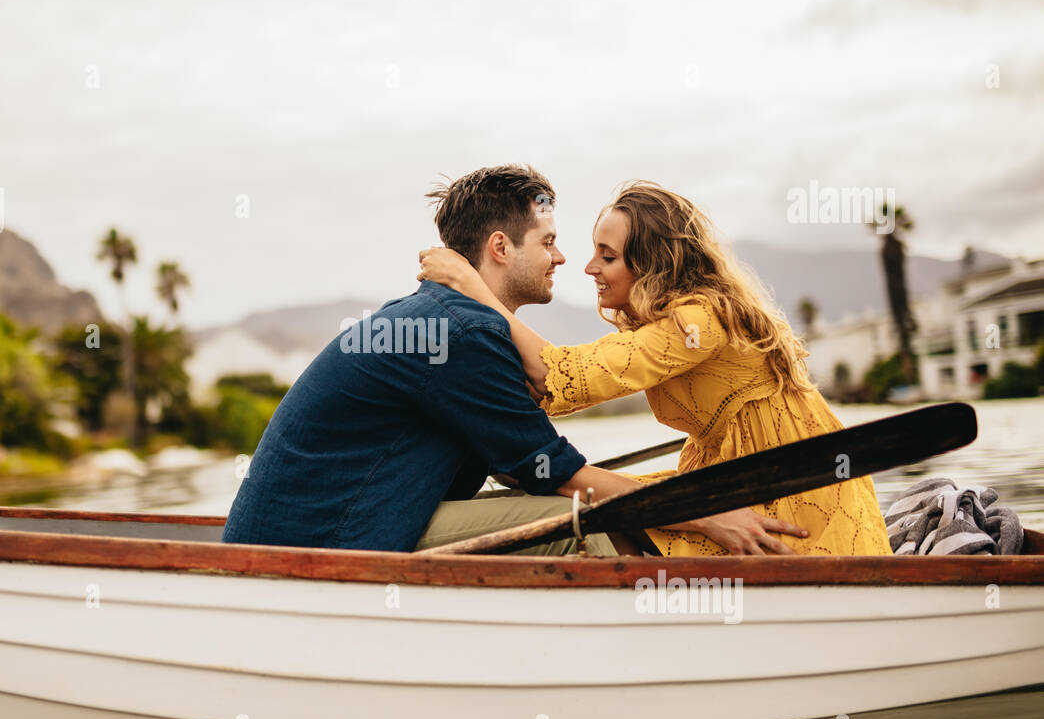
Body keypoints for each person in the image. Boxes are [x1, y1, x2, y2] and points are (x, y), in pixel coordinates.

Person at [222, 166, 806, 555]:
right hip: (330, 544)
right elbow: (565, 479)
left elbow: (525, 469)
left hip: (318, 532)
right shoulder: (462, 332)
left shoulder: (451, 319)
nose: (563, 257)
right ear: (501, 247)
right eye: (547, 241)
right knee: (586, 531)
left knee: (588, 508)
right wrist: (704, 513)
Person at [417, 180, 892, 557]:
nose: (588, 268)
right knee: (585, 507)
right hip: (727, 476)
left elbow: (567, 374)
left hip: (789, 493)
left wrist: (472, 287)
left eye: (608, 256)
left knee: (594, 517)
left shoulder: (699, 319)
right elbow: (552, 387)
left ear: (652, 265)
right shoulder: (665, 324)